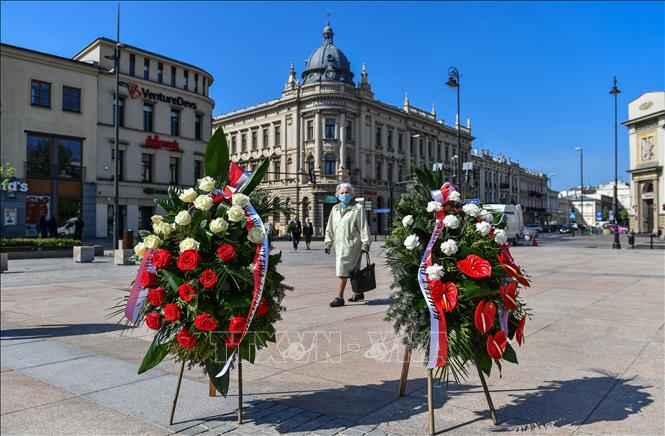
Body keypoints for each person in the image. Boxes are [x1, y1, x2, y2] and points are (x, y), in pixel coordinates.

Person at [324, 182, 371, 307]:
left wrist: (365, 244)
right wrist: (328, 242)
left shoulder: (358, 208)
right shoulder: (335, 209)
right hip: (339, 244)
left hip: (353, 244)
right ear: (338, 195)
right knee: (353, 269)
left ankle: (339, 297)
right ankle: (358, 293)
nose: (345, 195)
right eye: (342, 193)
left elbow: (363, 227)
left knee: (342, 269)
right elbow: (330, 227)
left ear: (352, 194)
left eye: (347, 193)